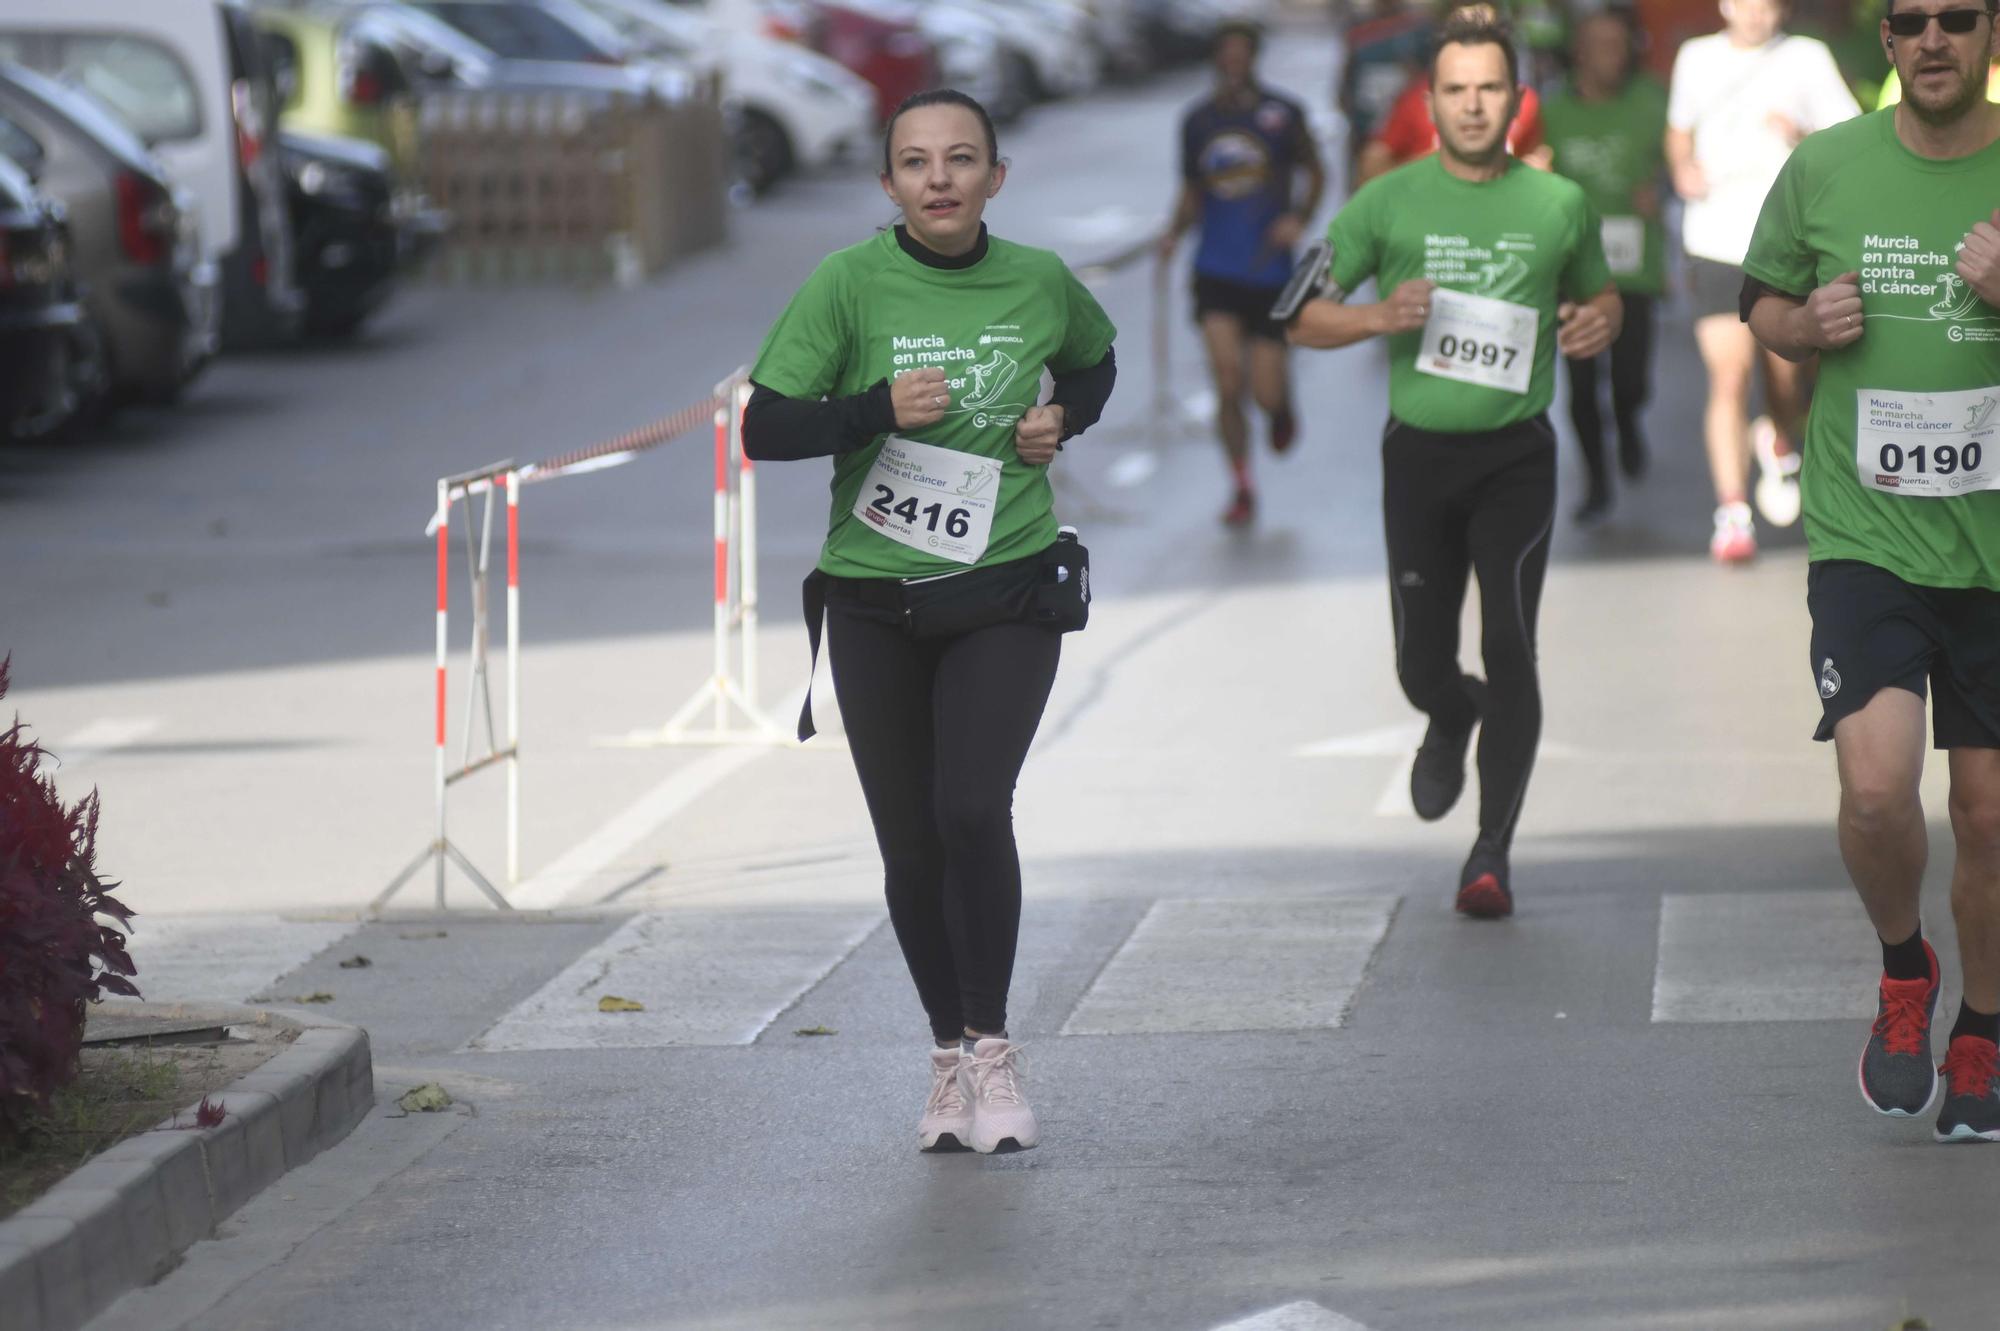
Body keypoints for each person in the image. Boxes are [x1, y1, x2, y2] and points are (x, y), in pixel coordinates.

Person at [741, 90, 1117, 1154]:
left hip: (1002, 585)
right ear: (889, 184)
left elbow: (1092, 359)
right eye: (915, 162)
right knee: (908, 843)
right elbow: (762, 427)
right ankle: (946, 1055)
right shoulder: (848, 283)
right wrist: (868, 411)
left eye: (960, 160)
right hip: (871, 600)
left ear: (995, 178)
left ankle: (993, 1043)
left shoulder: (1037, 278)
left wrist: (1061, 416)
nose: (938, 178)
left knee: (968, 805)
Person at [1290, 4, 1621, 918]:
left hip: (1518, 455)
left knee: (1512, 643)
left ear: (1517, 99)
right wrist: (1375, 316)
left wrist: (1600, 321)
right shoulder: (1383, 202)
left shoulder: (1559, 203)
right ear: (1427, 101)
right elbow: (1299, 312)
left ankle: (1491, 853)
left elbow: (1601, 299)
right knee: (1420, 665)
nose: (1474, 106)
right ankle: (1448, 710)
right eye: (1455, 91)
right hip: (1419, 459)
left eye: (1489, 89)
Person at [1742, 0, 2000, 1141]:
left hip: (1993, 547)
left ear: (1990, 31)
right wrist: (1799, 324)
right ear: (1883, 42)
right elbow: (1754, 299)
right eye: (1909, 20)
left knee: (1988, 816)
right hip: (1864, 535)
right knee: (1875, 789)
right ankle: (1905, 970)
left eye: (1957, 17)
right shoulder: (1822, 164)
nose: (1931, 38)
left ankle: (1983, 1028)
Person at [1665, 0, 1859, 562]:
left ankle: (1778, 433)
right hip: (1715, 238)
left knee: (1787, 379)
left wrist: (1800, 132)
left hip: (1788, 245)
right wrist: (1682, 167)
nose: (1757, 13)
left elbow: (1850, 141)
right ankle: (1731, 514)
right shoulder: (1695, 58)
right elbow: (1678, 133)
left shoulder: (1807, 57)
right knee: (1727, 376)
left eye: (1769, 3)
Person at [1161, 21, 1326, 527]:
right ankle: (1241, 485)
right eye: (1225, 54)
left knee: (1265, 392)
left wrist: (1297, 217)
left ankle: (1281, 408)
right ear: (1215, 59)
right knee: (1228, 381)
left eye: (1241, 54)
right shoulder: (1197, 120)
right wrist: (1172, 233)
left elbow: (1316, 171)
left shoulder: (1282, 115)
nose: (1233, 62)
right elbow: (1192, 190)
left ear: (1253, 58)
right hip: (1215, 269)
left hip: (1270, 271)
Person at [1543, 6, 1669, 522]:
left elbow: (1684, 153)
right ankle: (1597, 482)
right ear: (1578, 51)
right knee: (1579, 383)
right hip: (1573, 268)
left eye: (1619, 45)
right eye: (1599, 45)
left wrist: (1662, 187)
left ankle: (1630, 419)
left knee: (1630, 378)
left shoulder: (1651, 101)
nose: (1611, 57)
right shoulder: (1551, 111)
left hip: (1633, 266)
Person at [1354, 62, 1549, 186]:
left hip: (1494, 226)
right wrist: (1437, 164)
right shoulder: (1417, 96)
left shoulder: (1525, 102)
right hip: (1430, 227)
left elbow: (1538, 165)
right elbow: (1370, 170)